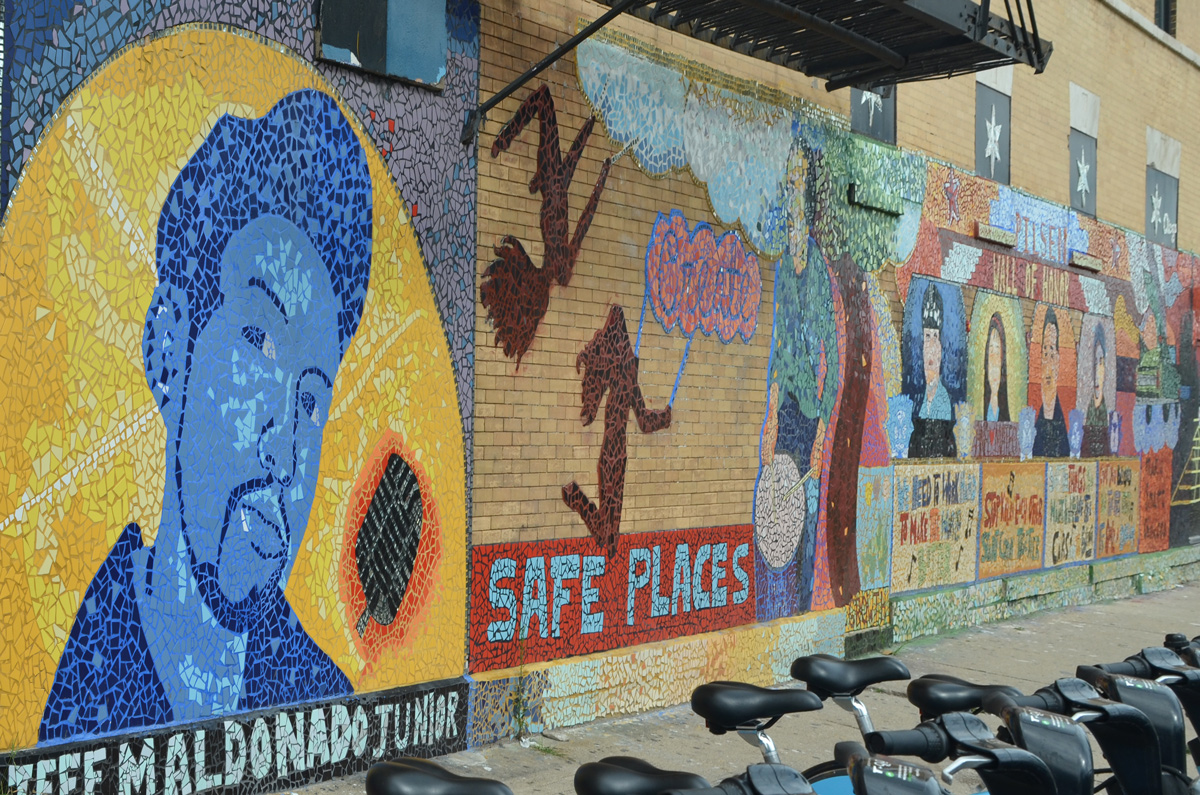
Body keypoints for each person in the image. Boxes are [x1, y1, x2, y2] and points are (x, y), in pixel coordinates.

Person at [40, 90, 373, 741]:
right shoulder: (81, 702)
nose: (286, 450)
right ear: (168, 351)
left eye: (311, 399)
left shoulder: (324, 702)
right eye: (258, 343)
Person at [909, 285, 957, 458]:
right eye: (927, 337)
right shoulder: (916, 398)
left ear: (941, 349)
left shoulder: (944, 401)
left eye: (935, 337)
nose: (930, 347)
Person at [1033, 308, 1070, 457]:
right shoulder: (1033, 414)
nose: (1048, 363)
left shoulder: (1063, 419)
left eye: (1052, 353)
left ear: (1059, 360)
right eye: (1045, 354)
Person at [1083, 329, 1111, 456]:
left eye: (1100, 362)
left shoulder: (1108, 411)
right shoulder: (1087, 408)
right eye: (1094, 362)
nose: (1097, 369)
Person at [983, 313, 1010, 422]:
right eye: (991, 352)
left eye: (998, 351)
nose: (994, 363)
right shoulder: (980, 407)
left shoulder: (1006, 410)